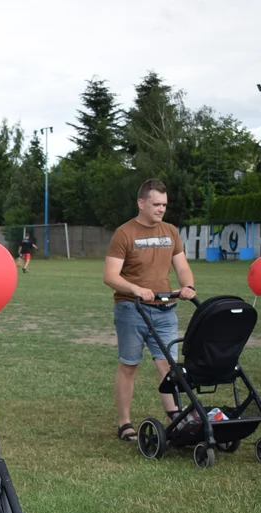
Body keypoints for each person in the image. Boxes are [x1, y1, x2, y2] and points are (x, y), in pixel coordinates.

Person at [103, 179, 196, 442]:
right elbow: (110, 275)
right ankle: (124, 424)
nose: (161, 209)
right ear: (141, 203)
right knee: (129, 365)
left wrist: (187, 286)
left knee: (168, 366)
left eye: (164, 205)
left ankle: (176, 418)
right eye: (156, 204)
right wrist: (134, 289)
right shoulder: (124, 233)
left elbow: (182, 267)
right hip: (131, 309)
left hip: (166, 309)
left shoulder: (170, 232)